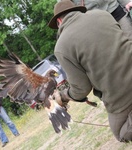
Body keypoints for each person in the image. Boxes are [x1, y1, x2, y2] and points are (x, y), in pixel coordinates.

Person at [48, 0, 132, 142]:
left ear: (59, 21)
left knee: (120, 131)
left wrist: (65, 95)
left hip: (121, 97)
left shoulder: (61, 46)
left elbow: (81, 89)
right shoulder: (103, 14)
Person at [57, 0, 132, 40]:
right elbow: (65, 7)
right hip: (95, 20)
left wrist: (126, 2)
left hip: (113, 8)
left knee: (129, 38)